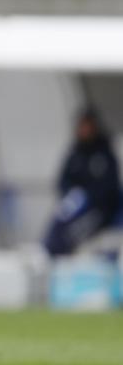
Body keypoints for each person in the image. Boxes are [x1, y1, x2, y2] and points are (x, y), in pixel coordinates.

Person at [43, 109, 121, 256]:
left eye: (88, 126)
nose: (84, 130)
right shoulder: (75, 154)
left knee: (71, 234)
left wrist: (87, 197)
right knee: (58, 225)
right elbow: (62, 181)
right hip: (76, 207)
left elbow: (109, 188)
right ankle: (50, 253)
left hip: (100, 211)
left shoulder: (105, 155)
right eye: (82, 126)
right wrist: (73, 195)